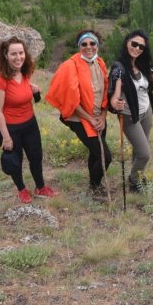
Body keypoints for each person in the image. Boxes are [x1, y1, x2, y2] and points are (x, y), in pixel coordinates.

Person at [46, 30, 111, 196]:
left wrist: (102, 116)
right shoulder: (70, 66)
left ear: (97, 45)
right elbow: (70, 99)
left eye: (92, 43)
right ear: (79, 46)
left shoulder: (100, 64)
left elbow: (105, 94)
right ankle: (94, 187)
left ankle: (94, 184)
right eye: (84, 44)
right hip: (80, 118)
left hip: (99, 117)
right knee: (106, 156)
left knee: (95, 153)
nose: (88, 47)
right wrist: (90, 119)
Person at [0, 37, 55, 204]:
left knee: (36, 157)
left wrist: (35, 89)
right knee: (15, 161)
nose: (18, 57)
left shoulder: (24, 72)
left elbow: (21, 89)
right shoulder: (0, 79)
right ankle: (21, 189)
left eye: (21, 53)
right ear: (5, 55)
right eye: (13, 54)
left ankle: (40, 187)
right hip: (10, 128)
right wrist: (6, 138)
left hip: (30, 124)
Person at [108, 30, 153, 192]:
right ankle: (134, 181)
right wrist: (115, 102)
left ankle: (138, 173)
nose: (137, 48)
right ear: (127, 42)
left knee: (139, 149)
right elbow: (114, 92)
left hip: (146, 111)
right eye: (134, 44)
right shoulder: (119, 67)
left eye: (141, 47)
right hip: (130, 116)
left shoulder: (143, 65)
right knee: (144, 154)